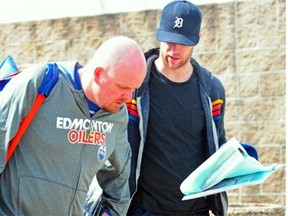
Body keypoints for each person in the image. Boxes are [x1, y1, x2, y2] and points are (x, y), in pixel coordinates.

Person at [0, 36, 147, 216]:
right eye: (123, 87)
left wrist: (113, 212)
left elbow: (120, 173)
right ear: (99, 74)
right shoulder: (42, 82)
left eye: (134, 88)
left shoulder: (117, 115)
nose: (128, 96)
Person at [127, 0, 228, 215]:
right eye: (169, 40)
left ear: (197, 40)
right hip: (144, 209)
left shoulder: (212, 90)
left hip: (196, 210)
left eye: (182, 42)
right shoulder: (134, 85)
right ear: (159, 34)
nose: (174, 49)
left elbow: (218, 146)